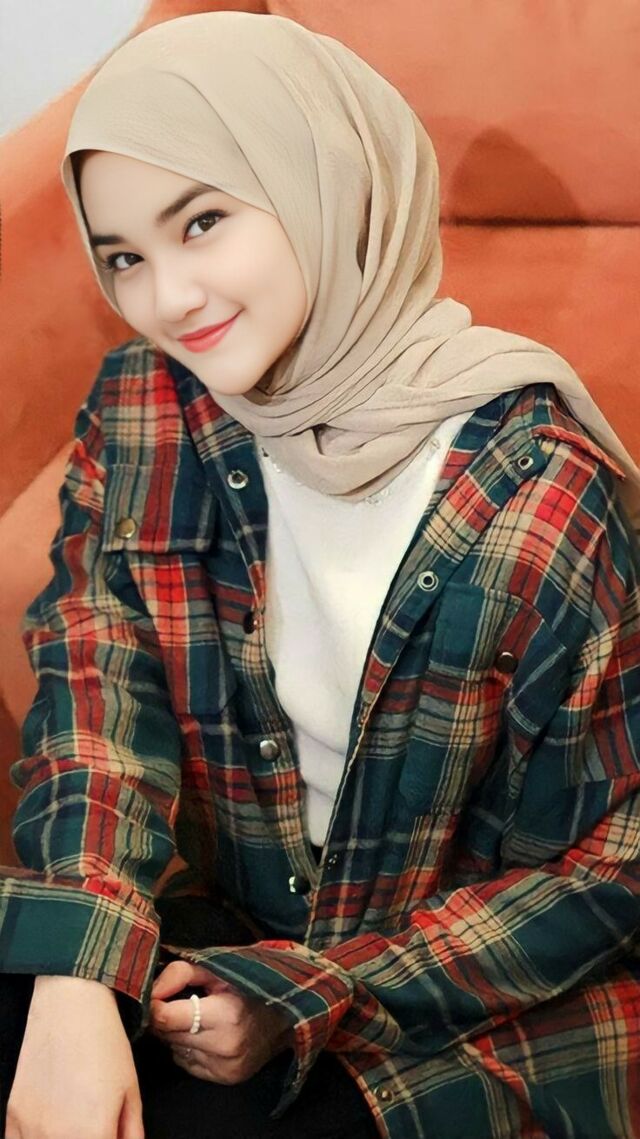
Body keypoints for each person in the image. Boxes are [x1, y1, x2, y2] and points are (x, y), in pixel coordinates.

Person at [1, 10, 640, 1139]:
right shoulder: (148, 403)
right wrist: (78, 972)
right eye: (125, 256)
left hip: (449, 1005)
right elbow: (95, 687)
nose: (169, 297)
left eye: (202, 220)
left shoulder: (539, 490)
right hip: (212, 930)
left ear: (325, 185)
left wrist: (310, 991)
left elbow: (607, 871)